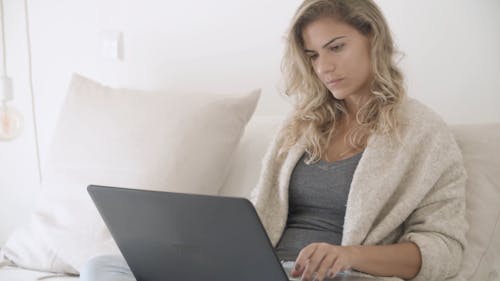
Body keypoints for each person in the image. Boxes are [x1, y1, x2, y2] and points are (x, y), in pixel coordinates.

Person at [80, 0, 467, 281]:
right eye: (313, 55)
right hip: (255, 269)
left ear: (373, 39)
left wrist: (348, 256)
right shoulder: (300, 126)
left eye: (336, 47)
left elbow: (444, 250)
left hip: (338, 277)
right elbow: (256, 213)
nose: (324, 67)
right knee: (101, 267)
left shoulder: (423, 133)